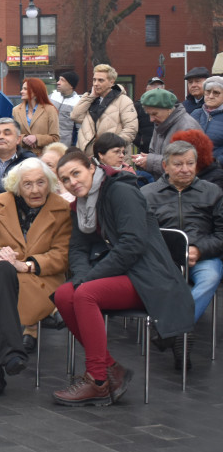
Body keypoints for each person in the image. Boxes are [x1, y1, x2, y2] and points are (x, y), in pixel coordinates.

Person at [52, 149, 194, 406]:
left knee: (85, 293)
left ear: (91, 168)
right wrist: (83, 276)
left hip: (151, 277)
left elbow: (133, 244)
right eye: (65, 179)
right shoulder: (81, 204)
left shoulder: (120, 191)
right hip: (122, 273)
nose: (72, 182)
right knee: (64, 294)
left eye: (76, 173)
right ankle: (111, 369)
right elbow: (78, 249)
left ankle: (97, 380)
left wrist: (88, 279)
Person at [0, 158, 71, 398]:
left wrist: (26, 265)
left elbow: (62, 254)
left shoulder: (62, 208)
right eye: (28, 184)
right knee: (2, 270)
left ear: (50, 183)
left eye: (40, 183)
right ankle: (11, 351)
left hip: (37, 279)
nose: (35, 190)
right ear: (17, 186)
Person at [142, 140, 223, 369]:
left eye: (190, 163)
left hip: (203, 257)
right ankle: (179, 333)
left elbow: (222, 233)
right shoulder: (147, 194)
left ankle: (169, 328)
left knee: (210, 279)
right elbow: (141, 234)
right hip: (162, 259)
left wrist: (200, 249)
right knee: (159, 282)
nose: (185, 169)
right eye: (178, 164)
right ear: (165, 166)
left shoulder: (213, 192)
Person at [70, 63, 138, 155]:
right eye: (94, 80)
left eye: (100, 80)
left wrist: (112, 147)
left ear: (111, 82)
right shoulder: (91, 99)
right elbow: (75, 116)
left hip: (112, 157)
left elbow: (131, 129)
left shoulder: (124, 101)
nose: (95, 84)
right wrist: (90, 97)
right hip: (88, 156)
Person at [132, 88, 201, 177]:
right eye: (149, 114)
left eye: (154, 114)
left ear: (169, 109)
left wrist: (150, 161)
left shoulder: (187, 127)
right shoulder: (162, 122)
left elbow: (185, 165)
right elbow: (154, 152)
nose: (151, 119)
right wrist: (147, 159)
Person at [11, 78, 59, 155]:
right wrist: (24, 139)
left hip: (43, 157)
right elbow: (13, 135)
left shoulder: (50, 110)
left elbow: (55, 138)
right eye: (22, 89)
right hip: (22, 157)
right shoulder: (16, 110)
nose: (21, 91)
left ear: (36, 92)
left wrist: (36, 138)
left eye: (25, 89)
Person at [192, 75, 223, 161]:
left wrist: (214, 163)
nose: (211, 96)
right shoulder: (195, 114)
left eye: (216, 93)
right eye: (208, 92)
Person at [49, 72, 81, 148]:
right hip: (47, 142)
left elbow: (79, 130)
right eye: (59, 80)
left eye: (62, 80)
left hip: (65, 146)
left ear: (71, 85)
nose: (58, 83)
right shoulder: (52, 96)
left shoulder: (78, 103)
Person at [133, 77, 165, 153]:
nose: (156, 88)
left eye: (159, 86)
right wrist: (140, 142)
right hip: (144, 149)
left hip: (164, 148)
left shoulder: (168, 106)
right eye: (153, 85)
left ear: (164, 88)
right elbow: (132, 126)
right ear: (147, 89)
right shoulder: (138, 106)